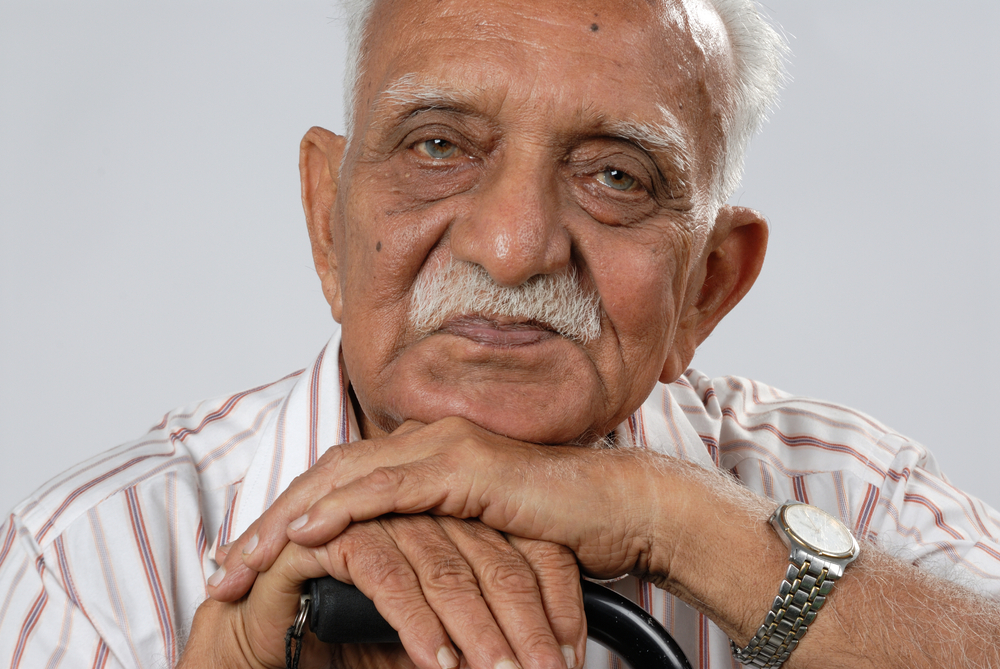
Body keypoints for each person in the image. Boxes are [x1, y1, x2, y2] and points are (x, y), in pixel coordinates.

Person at [2, 1, 999, 668]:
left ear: (707, 286)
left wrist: (676, 520)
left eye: (614, 175)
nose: (514, 246)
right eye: (437, 147)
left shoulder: (856, 493)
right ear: (325, 221)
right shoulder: (91, 559)